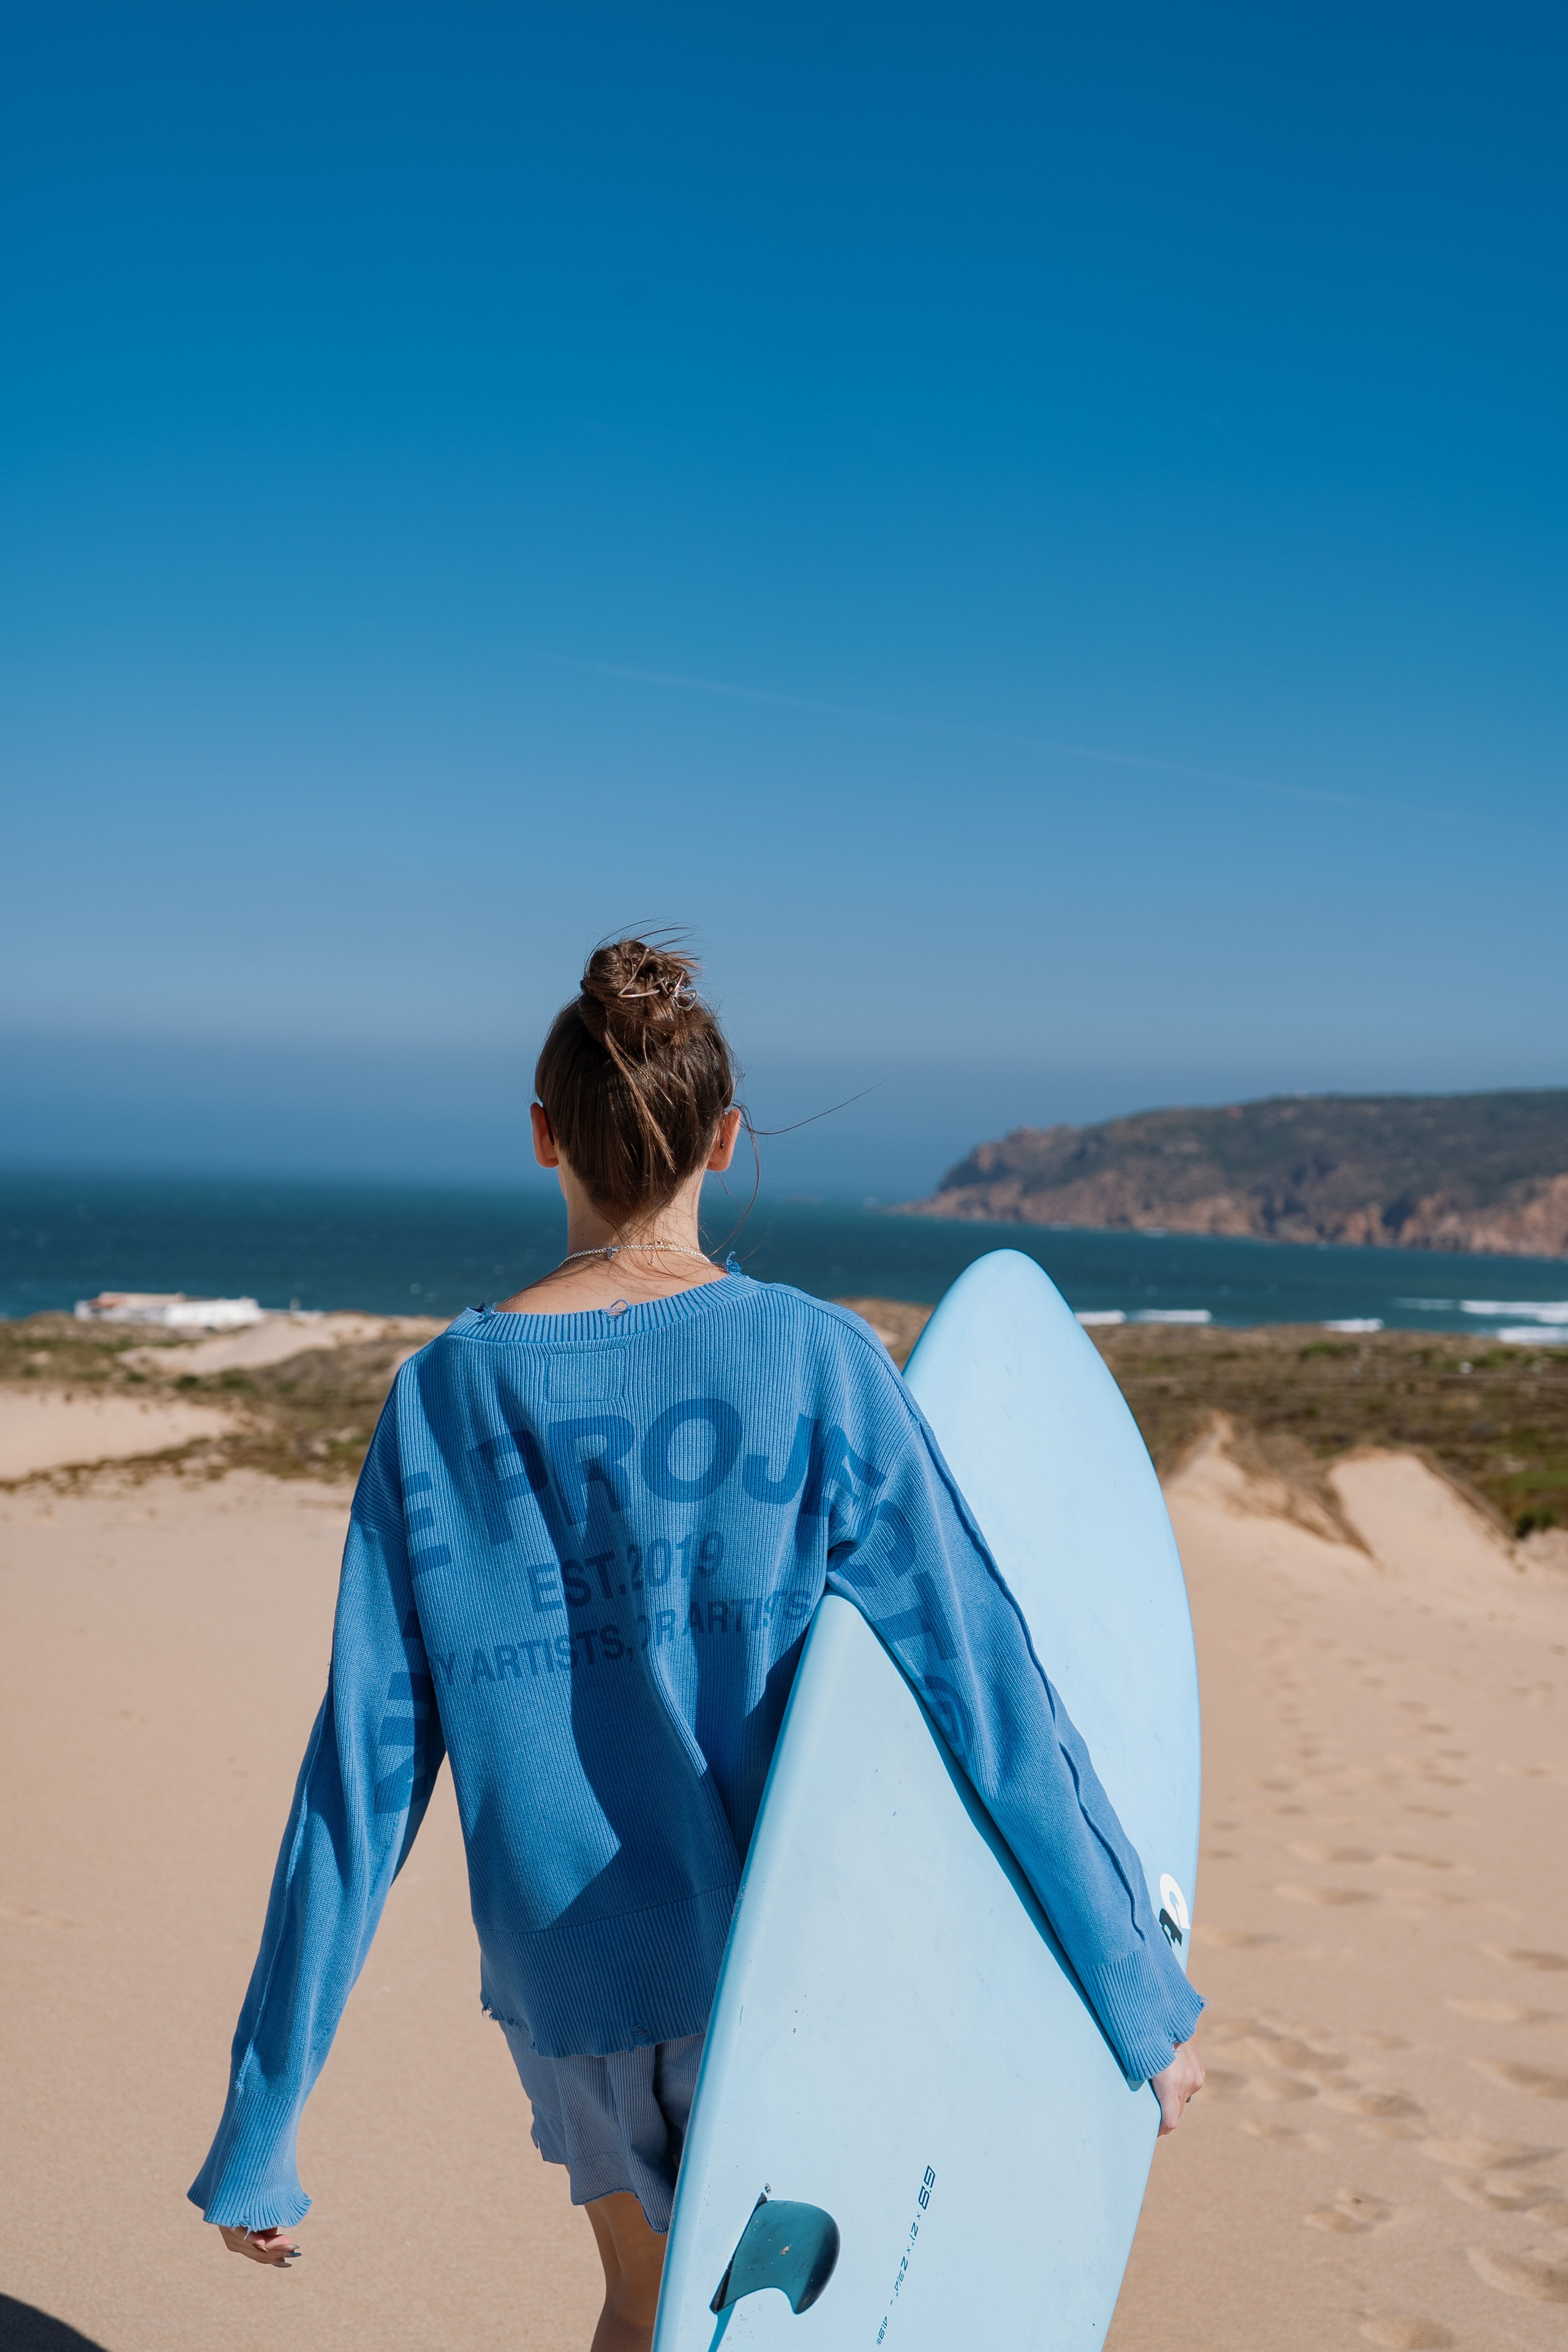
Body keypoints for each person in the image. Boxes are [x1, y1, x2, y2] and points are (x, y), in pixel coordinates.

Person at [190, 938, 1204, 2351]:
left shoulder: (438, 1400)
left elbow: (356, 1784)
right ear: (725, 1141)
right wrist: (1135, 1993)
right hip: (788, 1951)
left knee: (647, 2309)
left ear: (543, 1137)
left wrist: (264, 2123)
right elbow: (986, 1687)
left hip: (570, 1982)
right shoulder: (816, 1362)